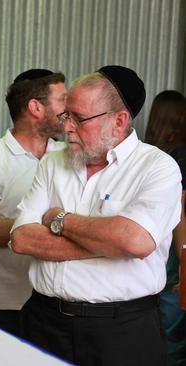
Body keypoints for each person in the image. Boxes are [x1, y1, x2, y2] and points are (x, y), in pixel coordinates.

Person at [10, 65, 181, 365]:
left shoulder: (158, 168)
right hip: (43, 323)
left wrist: (59, 219)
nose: (67, 127)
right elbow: (22, 238)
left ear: (119, 122)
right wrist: (108, 244)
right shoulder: (53, 164)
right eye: (66, 115)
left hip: (122, 332)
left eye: (79, 118)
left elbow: (134, 241)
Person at [0, 69, 66, 336]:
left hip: (63, 301)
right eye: (62, 100)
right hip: (9, 303)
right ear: (35, 107)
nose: (69, 109)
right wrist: (56, 227)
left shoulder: (68, 155)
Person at [144, 90, 186, 365]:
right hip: (176, 250)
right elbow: (180, 211)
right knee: (173, 333)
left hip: (155, 247)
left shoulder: (150, 156)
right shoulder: (180, 157)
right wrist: (184, 256)